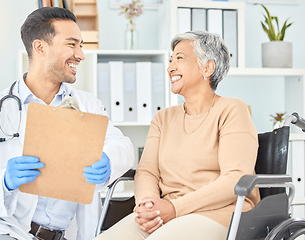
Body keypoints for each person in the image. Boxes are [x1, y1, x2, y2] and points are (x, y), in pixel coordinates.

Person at [0, 7, 134, 240]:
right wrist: (5, 180)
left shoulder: (88, 105)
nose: (80, 54)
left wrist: (110, 159)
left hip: (61, 235)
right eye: (72, 44)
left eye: (80, 45)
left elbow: (122, 145)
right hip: (1, 229)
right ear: (40, 48)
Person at [94, 31, 260, 240]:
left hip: (221, 212)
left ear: (207, 68)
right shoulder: (163, 118)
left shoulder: (232, 109)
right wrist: (148, 206)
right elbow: (147, 171)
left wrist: (174, 208)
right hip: (167, 212)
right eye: (171, 60)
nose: (170, 66)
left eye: (179, 58)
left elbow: (235, 178)